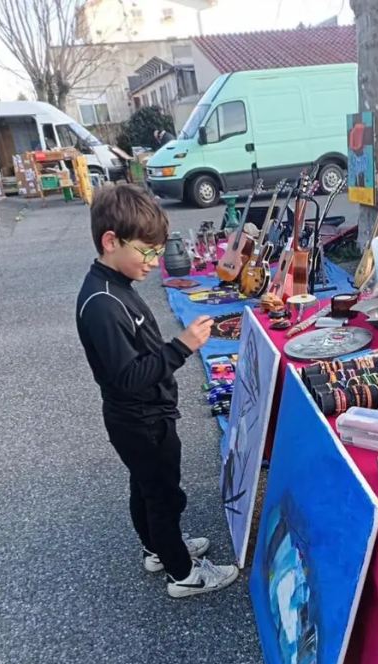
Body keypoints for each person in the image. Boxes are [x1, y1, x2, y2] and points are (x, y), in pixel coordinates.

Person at [76, 184, 239, 598]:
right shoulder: (101, 303)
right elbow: (128, 376)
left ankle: (156, 549)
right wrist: (182, 346)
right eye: (146, 252)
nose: (153, 262)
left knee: (145, 486)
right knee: (165, 495)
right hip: (142, 420)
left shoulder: (113, 285)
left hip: (139, 418)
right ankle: (183, 574)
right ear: (111, 241)